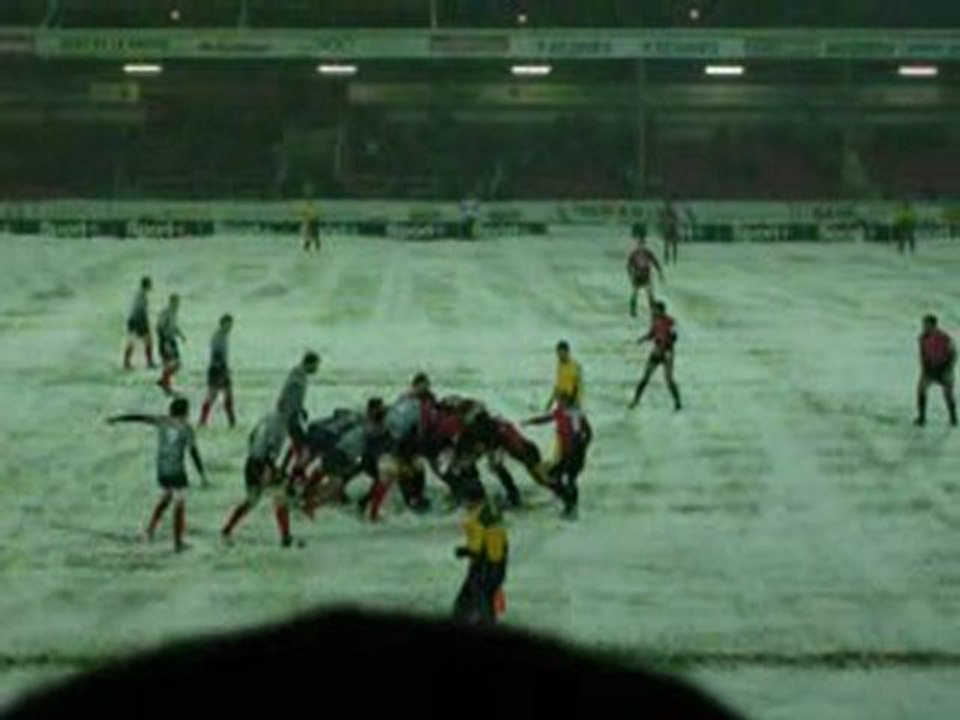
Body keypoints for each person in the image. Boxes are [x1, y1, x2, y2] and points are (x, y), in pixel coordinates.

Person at [106, 397, 206, 553]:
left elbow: (139, 417)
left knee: (166, 497)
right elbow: (193, 452)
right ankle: (178, 543)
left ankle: (150, 530)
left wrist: (118, 418)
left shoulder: (161, 421)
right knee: (179, 503)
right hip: (177, 471)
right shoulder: (186, 428)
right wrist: (202, 474)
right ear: (186, 412)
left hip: (161, 470)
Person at [221, 411, 298, 547]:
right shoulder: (280, 431)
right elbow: (272, 453)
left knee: (251, 500)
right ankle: (285, 537)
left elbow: (251, 438)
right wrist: (271, 471)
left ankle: (227, 528)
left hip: (251, 462)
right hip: (263, 465)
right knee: (280, 499)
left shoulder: (267, 419)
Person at [524, 393, 592, 519]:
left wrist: (581, 448)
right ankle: (569, 502)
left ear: (567, 402)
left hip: (574, 453)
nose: (558, 404)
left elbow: (584, 434)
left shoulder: (574, 415)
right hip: (569, 452)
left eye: (561, 401)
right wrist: (532, 421)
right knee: (563, 477)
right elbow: (548, 418)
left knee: (563, 477)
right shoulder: (563, 412)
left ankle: (569, 504)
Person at [453, 482, 508, 626]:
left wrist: (464, 551)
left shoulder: (483, 519)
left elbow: (482, 548)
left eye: (464, 500)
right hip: (488, 564)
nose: (462, 503)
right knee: (470, 598)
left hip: (487, 567)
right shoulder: (484, 512)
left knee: (482, 599)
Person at [629, 300, 682, 412]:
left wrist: (665, 345)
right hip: (657, 351)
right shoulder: (655, 321)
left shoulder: (671, 322)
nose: (654, 312)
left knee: (669, 379)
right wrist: (642, 339)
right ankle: (636, 400)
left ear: (662, 311)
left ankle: (677, 402)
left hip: (667, 352)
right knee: (645, 377)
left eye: (656, 310)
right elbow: (652, 334)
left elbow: (674, 337)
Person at [915, 314, 957, 427]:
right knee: (920, 390)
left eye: (927, 325)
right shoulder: (922, 338)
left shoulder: (944, 337)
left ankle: (953, 417)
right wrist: (924, 369)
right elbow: (922, 354)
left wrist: (949, 369)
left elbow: (953, 354)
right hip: (930, 369)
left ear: (934, 325)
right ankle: (922, 417)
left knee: (948, 394)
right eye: (924, 325)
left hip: (944, 369)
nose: (924, 327)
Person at [276, 351, 320, 449]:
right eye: (316, 366)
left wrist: (301, 410)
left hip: (290, 414)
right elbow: (292, 397)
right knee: (300, 442)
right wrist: (298, 411)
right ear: (309, 364)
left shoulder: (298, 373)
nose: (317, 369)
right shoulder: (299, 377)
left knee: (297, 442)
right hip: (289, 415)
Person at [199, 314, 235, 427]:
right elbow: (216, 355)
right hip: (216, 369)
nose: (230, 327)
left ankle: (231, 421)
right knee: (212, 395)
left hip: (222, 368)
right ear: (222, 324)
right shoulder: (218, 337)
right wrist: (222, 369)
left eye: (231, 325)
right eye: (228, 324)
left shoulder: (224, 336)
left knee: (227, 394)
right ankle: (203, 420)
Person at [626, 226, 665, 317]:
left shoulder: (647, 253)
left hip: (646, 275)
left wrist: (660, 272)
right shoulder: (634, 254)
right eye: (640, 245)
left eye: (642, 244)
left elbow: (655, 262)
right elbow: (629, 265)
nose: (641, 246)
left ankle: (652, 310)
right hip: (638, 275)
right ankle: (633, 310)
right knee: (635, 293)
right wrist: (631, 275)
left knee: (650, 293)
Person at [123, 276, 155, 370]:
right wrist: (145, 323)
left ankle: (127, 362)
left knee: (133, 341)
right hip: (138, 320)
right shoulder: (142, 295)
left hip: (133, 320)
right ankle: (149, 362)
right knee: (147, 341)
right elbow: (141, 311)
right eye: (150, 285)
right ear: (147, 285)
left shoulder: (139, 294)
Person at [155, 294, 186, 395]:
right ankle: (165, 383)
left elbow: (174, 326)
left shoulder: (174, 313)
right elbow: (159, 328)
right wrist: (164, 341)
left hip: (172, 340)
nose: (177, 304)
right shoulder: (165, 313)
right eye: (175, 302)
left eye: (178, 302)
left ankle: (164, 381)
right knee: (170, 363)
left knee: (176, 363)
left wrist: (181, 335)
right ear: (170, 302)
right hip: (166, 340)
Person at [544, 340, 583, 411]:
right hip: (562, 399)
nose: (559, 356)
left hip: (573, 402)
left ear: (567, 352)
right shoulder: (559, 365)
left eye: (561, 354)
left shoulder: (575, 366)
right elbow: (558, 386)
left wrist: (573, 402)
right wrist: (550, 402)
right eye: (558, 354)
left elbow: (577, 387)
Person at [660, 199, 680, 265]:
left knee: (673, 245)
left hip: (672, 230)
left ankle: (674, 259)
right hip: (668, 230)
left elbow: (676, 220)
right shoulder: (665, 213)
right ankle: (667, 259)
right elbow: (663, 222)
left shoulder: (673, 212)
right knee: (667, 246)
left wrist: (674, 226)